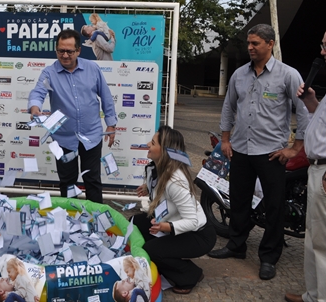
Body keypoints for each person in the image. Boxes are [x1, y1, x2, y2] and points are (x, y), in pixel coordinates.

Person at [208, 24, 309, 281]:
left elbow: (305, 110)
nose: (250, 47)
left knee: (274, 207)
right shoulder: (239, 75)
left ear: (270, 43)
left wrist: (295, 148)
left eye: (255, 43)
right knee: (239, 202)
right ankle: (236, 246)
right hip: (241, 150)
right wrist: (226, 140)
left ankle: (268, 257)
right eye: (249, 43)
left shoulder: (288, 75)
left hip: (271, 154)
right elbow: (229, 108)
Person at [285, 21, 326, 302]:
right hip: (318, 170)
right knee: (315, 240)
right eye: (323, 46)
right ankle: (314, 295)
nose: (323, 52)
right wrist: (312, 103)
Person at [28, 29, 117, 204]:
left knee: (92, 181)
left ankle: (96, 222)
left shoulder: (92, 69)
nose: (65, 55)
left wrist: (111, 124)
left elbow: (106, 96)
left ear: (78, 50)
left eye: (70, 51)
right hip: (63, 139)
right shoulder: (49, 73)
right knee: (68, 184)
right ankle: (71, 223)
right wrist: (35, 108)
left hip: (91, 136)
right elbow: (37, 92)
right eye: (61, 50)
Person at [132, 126, 216, 295]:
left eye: (153, 143)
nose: (148, 144)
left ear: (164, 152)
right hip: (171, 222)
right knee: (135, 222)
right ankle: (157, 261)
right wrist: (148, 188)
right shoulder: (155, 169)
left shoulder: (176, 181)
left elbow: (192, 221)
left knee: (152, 249)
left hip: (198, 234)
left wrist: (166, 227)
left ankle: (190, 275)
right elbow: (159, 187)